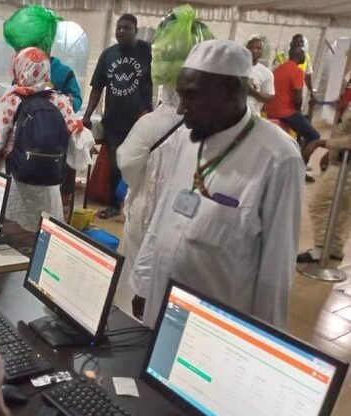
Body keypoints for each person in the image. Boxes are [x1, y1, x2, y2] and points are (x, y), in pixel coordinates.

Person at [130, 40, 304, 330]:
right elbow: (163, 217)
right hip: (160, 304)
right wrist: (144, 283)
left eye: (192, 96)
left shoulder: (278, 158)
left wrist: (260, 345)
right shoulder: (187, 138)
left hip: (215, 327)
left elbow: (276, 270)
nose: (182, 108)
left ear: (233, 92)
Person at [118, 7, 213, 291]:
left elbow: (127, 162)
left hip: (147, 209)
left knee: (139, 280)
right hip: (188, 222)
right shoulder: (215, 126)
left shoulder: (152, 123)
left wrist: (141, 185)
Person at [0, 47, 93, 232]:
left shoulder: (12, 100)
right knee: (43, 235)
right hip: (49, 186)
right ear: (46, 72)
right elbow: (80, 147)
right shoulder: (60, 100)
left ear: (18, 68)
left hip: (17, 182)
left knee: (15, 236)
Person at [83, 14, 153, 219]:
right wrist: (87, 115)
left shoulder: (147, 52)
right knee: (115, 167)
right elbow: (97, 87)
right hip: (114, 122)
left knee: (139, 166)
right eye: (119, 28)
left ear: (136, 30)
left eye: (127, 28)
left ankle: (137, 208)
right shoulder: (108, 55)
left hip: (140, 122)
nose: (121, 31)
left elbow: (158, 79)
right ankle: (115, 205)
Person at [298, 104, 351, 263]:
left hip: (346, 166)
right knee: (344, 207)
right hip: (341, 160)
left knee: (319, 203)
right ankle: (335, 247)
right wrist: (330, 152)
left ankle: (321, 248)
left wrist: (322, 143)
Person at [265, 47, 320, 182]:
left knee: (301, 134)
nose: (305, 57)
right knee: (314, 136)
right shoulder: (297, 71)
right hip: (285, 111)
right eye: (303, 54)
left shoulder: (278, 69)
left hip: (271, 110)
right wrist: (299, 111)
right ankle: (298, 171)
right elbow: (298, 99)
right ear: (298, 56)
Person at [246, 35, 275, 116]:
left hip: (252, 116)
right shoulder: (234, 67)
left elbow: (270, 99)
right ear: (246, 49)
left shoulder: (266, 73)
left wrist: (252, 92)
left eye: (258, 48)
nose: (254, 51)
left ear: (262, 51)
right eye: (251, 48)